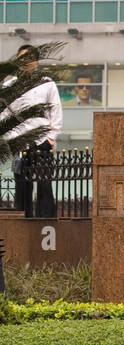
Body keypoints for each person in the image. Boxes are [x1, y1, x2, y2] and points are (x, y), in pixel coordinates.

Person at [3, 45, 62, 219]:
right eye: (21, 57)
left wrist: (51, 138)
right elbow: (4, 114)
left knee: (44, 183)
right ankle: (24, 220)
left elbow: (56, 110)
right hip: (19, 140)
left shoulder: (47, 83)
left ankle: (46, 220)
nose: (25, 61)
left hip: (41, 140)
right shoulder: (9, 84)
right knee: (22, 185)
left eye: (29, 58)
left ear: (36, 61)